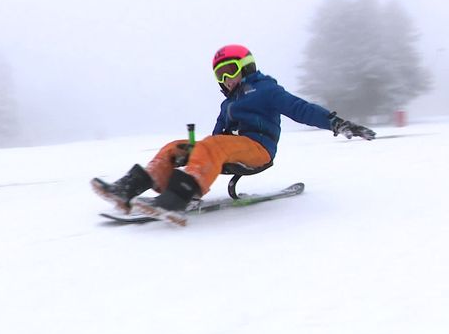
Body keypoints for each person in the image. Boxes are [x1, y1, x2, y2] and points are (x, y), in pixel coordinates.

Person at [91, 44, 376, 225]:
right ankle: (127, 191)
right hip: (231, 148)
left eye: (230, 71)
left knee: (212, 144)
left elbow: (300, 109)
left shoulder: (266, 90)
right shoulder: (228, 104)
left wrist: (337, 123)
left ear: (246, 68)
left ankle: (181, 199)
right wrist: (190, 152)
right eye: (220, 75)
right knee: (172, 146)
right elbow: (215, 140)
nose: (225, 79)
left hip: (259, 149)